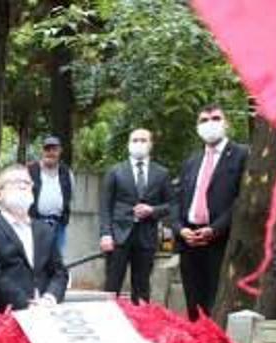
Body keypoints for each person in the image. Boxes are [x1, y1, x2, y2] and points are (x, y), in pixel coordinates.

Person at [173, 104, 248, 320]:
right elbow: (176, 200)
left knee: (217, 305)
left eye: (215, 118)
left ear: (226, 123)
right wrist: (180, 229)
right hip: (190, 242)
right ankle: (196, 340)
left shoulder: (242, 155)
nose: (209, 124)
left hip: (221, 242)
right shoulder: (191, 161)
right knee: (194, 307)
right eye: (203, 120)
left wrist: (215, 229)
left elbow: (241, 200)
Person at [0, 165, 68, 326]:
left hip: (45, 317)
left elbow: (59, 272)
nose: (23, 186)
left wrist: (50, 298)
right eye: (15, 182)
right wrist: (27, 305)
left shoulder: (45, 230)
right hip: (3, 321)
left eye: (27, 182)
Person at [99, 128, 173, 303]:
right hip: (118, 236)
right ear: (128, 144)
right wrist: (105, 234)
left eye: (143, 140)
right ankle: (108, 315)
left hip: (147, 237)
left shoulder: (161, 173)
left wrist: (152, 210)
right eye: (135, 140)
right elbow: (105, 206)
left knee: (142, 287)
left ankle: (140, 316)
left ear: (151, 144)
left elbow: (172, 205)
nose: (139, 144)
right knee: (112, 284)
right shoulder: (115, 171)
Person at [27, 136, 75, 255]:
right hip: (34, 224)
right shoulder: (30, 170)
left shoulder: (67, 172)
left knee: (57, 259)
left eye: (54, 149)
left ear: (60, 151)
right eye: (47, 149)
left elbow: (70, 196)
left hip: (58, 225)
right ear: (42, 151)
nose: (50, 153)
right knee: (34, 257)